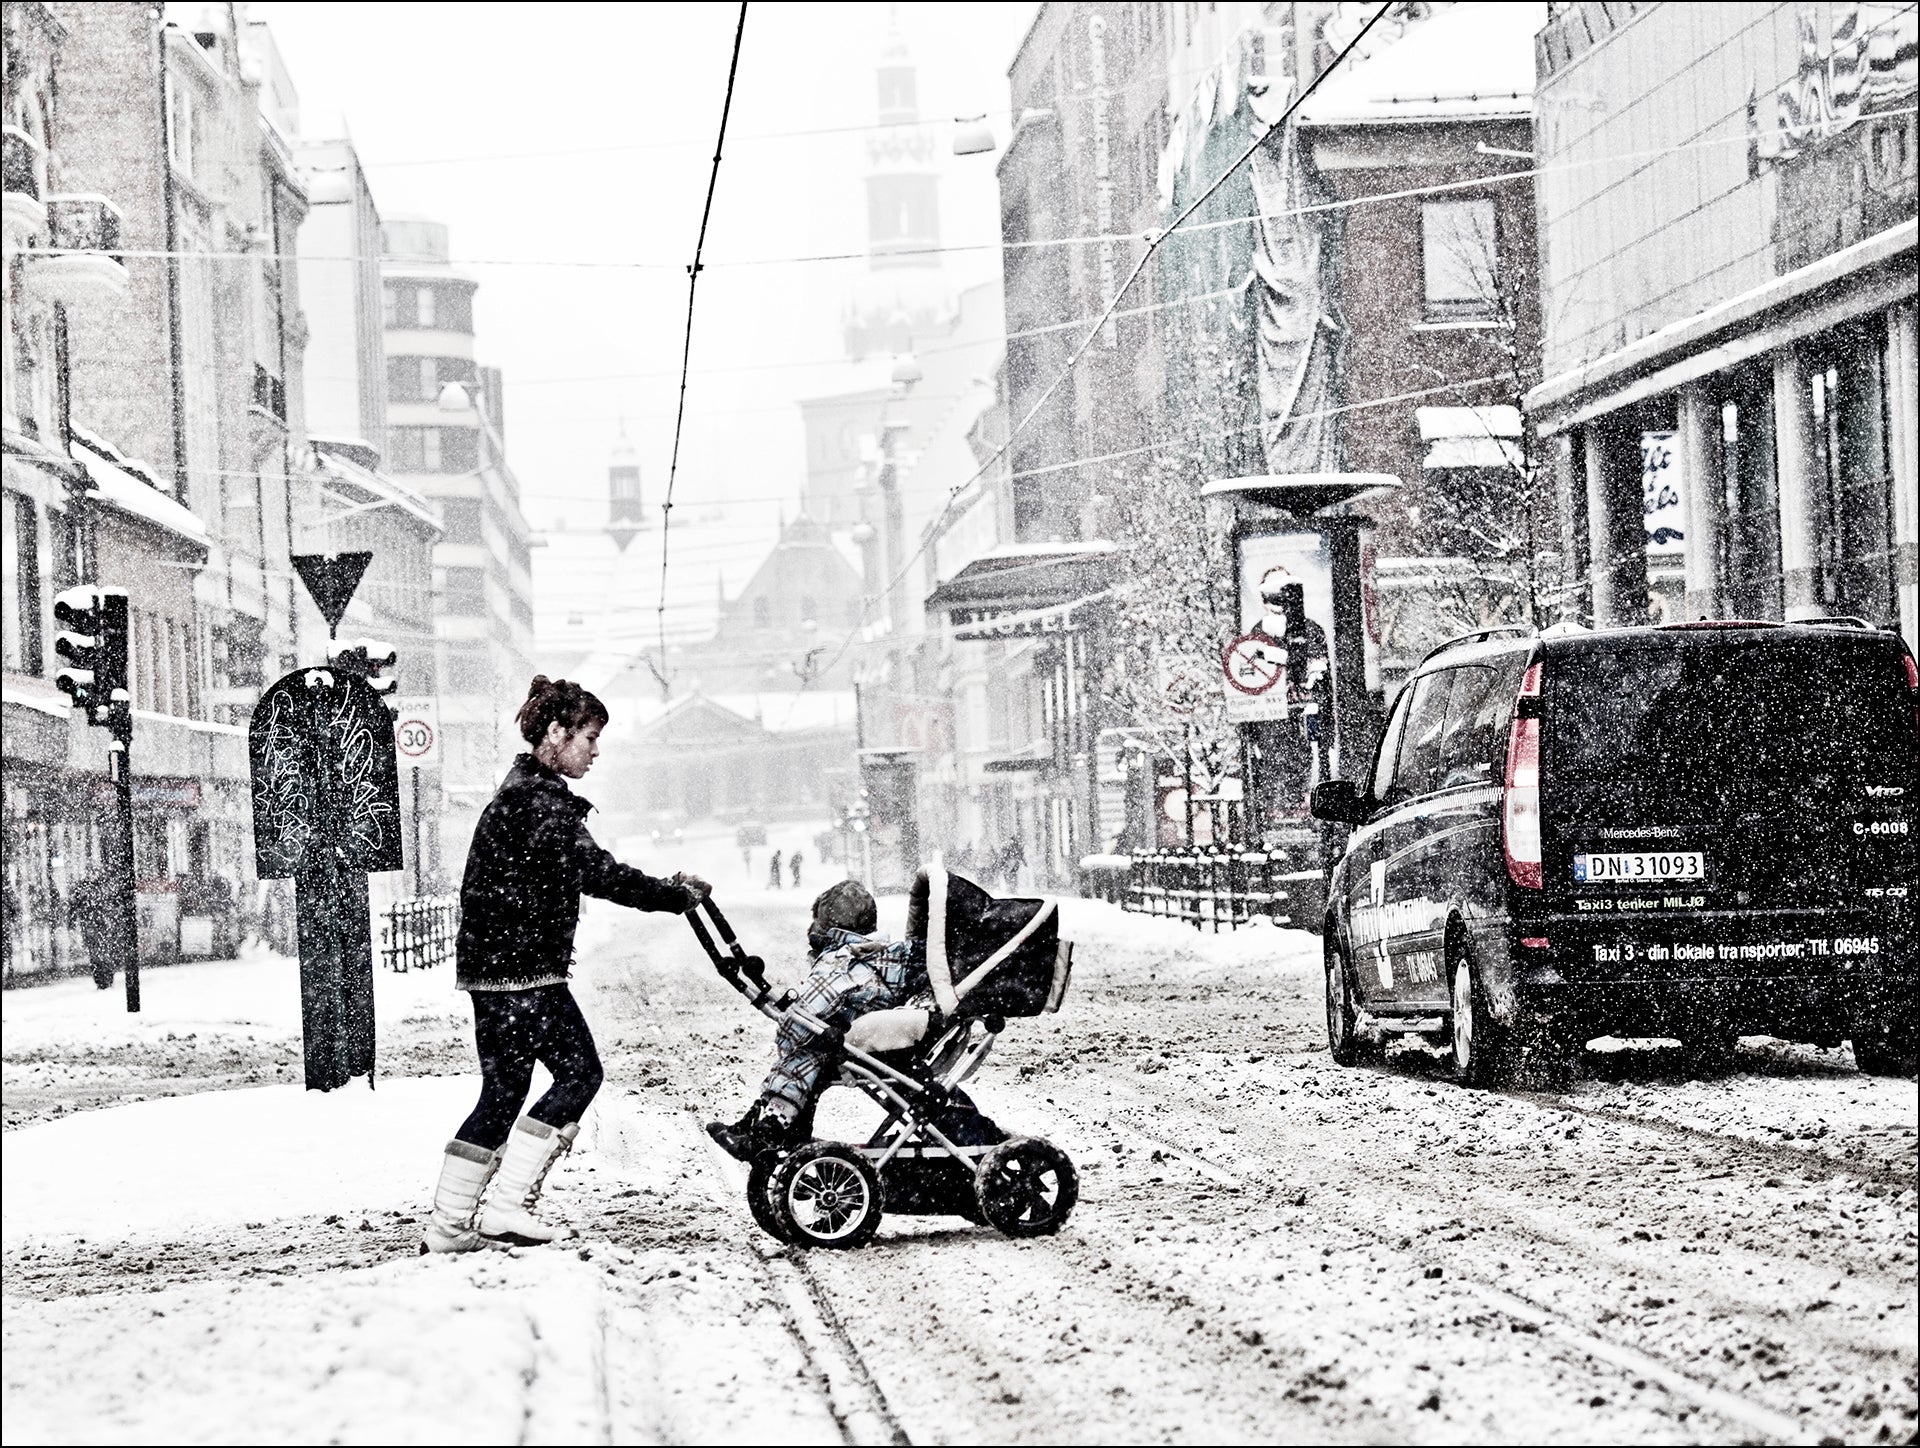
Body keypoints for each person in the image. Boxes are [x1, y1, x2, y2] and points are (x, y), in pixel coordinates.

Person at [423, 676, 711, 1254]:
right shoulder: (537, 801)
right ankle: (505, 1208)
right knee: (580, 1074)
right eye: (590, 737)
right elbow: (597, 872)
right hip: (522, 970)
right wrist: (672, 894)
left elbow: (583, 869)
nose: (596, 751)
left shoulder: (524, 791)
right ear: (555, 733)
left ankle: (448, 1226)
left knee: (502, 1097)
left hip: (497, 968)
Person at [707, 879, 925, 1162]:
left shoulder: (842, 962)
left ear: (830, 928)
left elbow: (806, 1013)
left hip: (863, 1043)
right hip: (877, 1030)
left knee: (804, 1052)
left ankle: (770, 1132)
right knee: (814, 1047)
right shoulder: (884, 955)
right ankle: (765, 1125)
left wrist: (787, 1033)